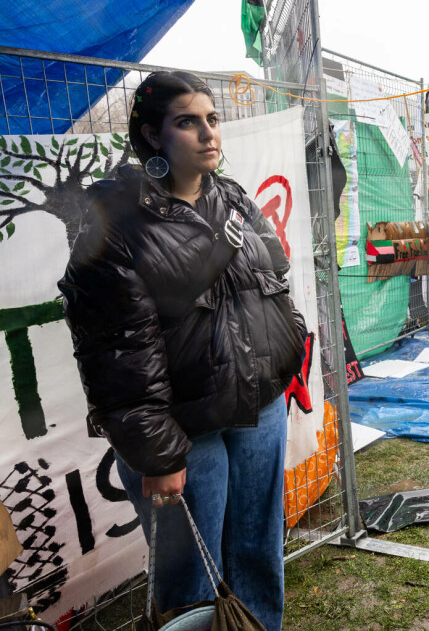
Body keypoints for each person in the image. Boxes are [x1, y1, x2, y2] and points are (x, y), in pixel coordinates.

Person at [58, 71, 306, 630]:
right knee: (190, 579)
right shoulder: (115, 223)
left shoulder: (234, 199)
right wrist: (158, 454)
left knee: (258, 552)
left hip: (258, 406)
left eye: (212, 120)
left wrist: (285, 354)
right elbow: (117, 349)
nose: (207, 133)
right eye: (187, 122)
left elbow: (275, 281)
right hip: (185, 428)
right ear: (151, 135)